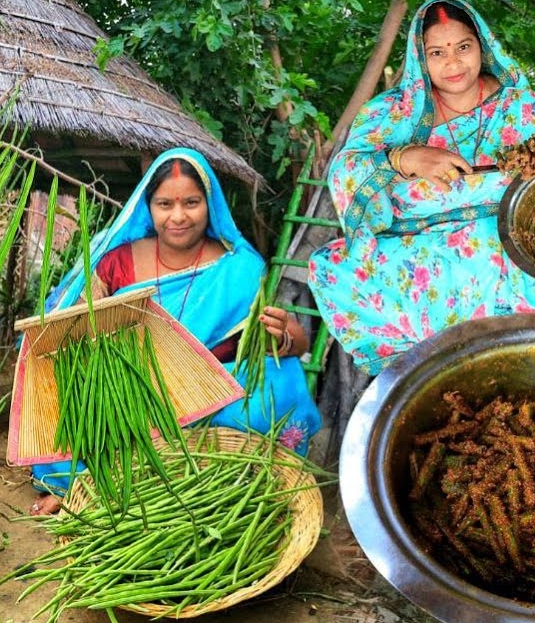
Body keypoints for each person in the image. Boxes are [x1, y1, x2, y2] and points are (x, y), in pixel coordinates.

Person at [308, 0, 535, 376]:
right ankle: (436, 373)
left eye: (463, 47)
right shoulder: (392, 111)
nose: (454, 63)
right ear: (420, 59)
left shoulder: (518, 102)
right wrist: (405, 158)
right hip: (422, 238)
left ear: (483, 45)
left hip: (514, 231)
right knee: (334, 270)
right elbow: (346, 170)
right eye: (437, 52)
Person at [29, 148, 322, 515]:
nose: (179, 216)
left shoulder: (241, 266)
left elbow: (285, 344)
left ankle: (257, 479)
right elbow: (68, 326)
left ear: (210, 204)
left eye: (192, 203)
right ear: (148, 207)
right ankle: (75, 482)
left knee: (284, 379)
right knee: (67, 380)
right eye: (165, 204)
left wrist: (286, 336)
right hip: (136, 386)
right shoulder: (115, 259)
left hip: (215, 391)